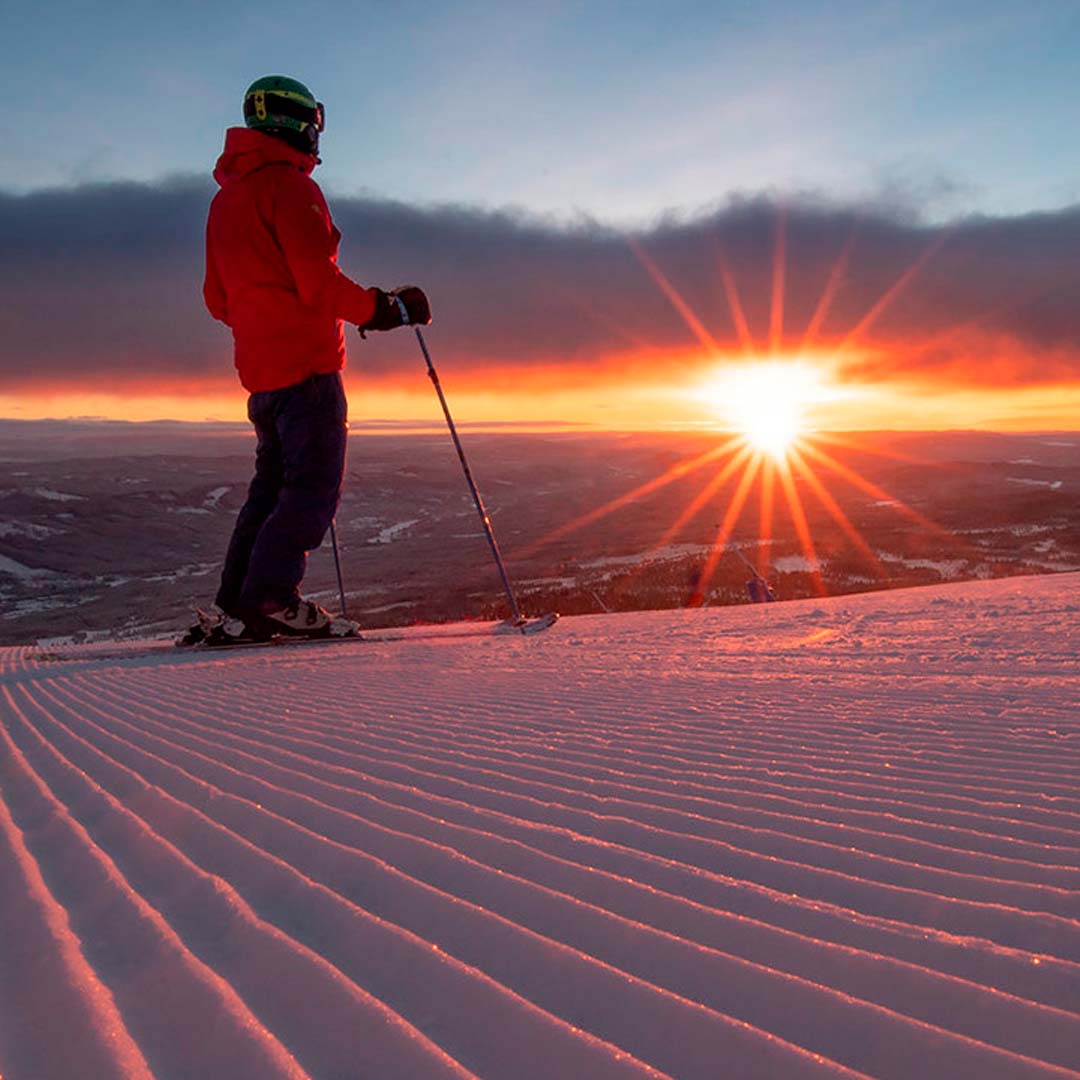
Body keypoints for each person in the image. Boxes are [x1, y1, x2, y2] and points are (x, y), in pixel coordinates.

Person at [192, 75, 430, 643]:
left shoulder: (226, 201)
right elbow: (319, 283)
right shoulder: (292, 189)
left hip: (260, 374)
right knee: (312, 488)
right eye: (315, 123)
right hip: (308, 370)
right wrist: (385, 309)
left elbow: (216, 300)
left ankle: (238, 603)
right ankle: (271, 598)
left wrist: (263, 324)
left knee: (270, 487)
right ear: (299, 123)